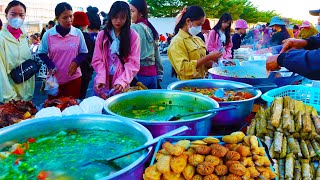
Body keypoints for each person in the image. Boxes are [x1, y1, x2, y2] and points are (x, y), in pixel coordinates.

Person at [38, 2, 88, 99]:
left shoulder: (77, 33)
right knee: (55, 108)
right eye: (65, 18)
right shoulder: (48, 34)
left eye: (71, 16)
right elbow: (42, 53)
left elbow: (84, 52)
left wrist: (76, 62)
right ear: (57, 18)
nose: (69, 20)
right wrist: (50, 64)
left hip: (73, 79)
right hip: (54, 80)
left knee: (72, 107)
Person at [92, 1, 140, 98]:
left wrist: (122, 81)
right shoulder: (102, 35)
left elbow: (133, 63)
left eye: (122, 18)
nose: (118, 21)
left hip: (121, 81)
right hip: (104, 79)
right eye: (115, 17)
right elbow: (97, 59)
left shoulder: (133, 36)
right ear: (110, 16)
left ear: (127, 18)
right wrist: (101, 78)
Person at [168, 6, 222, 80]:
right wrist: (208, 57)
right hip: (187, 85)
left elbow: (203, 64)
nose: (199, 28)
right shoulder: (177, 42)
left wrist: (216, 61)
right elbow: (183, 68)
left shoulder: (197, 39)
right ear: (188, 21)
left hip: (201, 82)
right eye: (198, 24)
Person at [0, 1, 34, 103]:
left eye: (21, 15)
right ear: (6, 16)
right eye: (13, 14)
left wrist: (29, 93)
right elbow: (1, 72)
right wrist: (10, 98)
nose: (17, 18)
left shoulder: (25, 37)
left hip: (27, 95)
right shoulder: (1, 39)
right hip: (11, 99)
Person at [129, 0, 164, 89]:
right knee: (153, 102)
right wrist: (160, 74)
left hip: (139, 76)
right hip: (153, 75)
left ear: (140, 13)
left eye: (132, 11)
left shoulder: (133, 28)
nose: (130, 14)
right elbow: (157, 54)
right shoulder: (150, 28)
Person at [72, 11, 95, 99]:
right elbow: (91, 55)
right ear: (84, 24)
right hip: (84, 72)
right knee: (80, 97)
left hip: (70, 72)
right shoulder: (85, 36)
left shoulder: (70, 35)